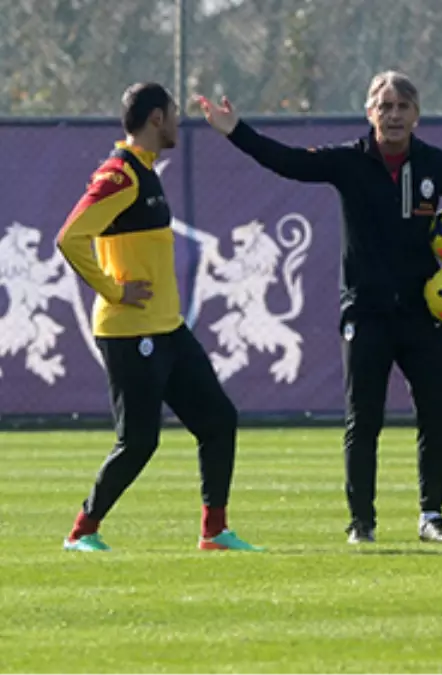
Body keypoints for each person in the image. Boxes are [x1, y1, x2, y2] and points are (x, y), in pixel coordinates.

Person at [195, 71, 442, 545]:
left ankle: (432, 515)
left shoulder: (435, 166)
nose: (394, 114)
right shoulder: (349, 161)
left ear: (417, 114)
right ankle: (362, 521)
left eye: (403, 106)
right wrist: (236, 130)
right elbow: (288, 162)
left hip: (423, 312)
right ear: (369, 114)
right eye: (385, 106)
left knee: (435, 415)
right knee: (364, 419)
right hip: (365, 312)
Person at [57, 82, 262, 553]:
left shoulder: (146, 170)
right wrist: (113, 290)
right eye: (172, 113)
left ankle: (214, 532)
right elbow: (70, 237)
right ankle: (82, 531)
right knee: (138, 442)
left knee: (217, 420)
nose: (176, 122)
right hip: (131, 332)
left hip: (168, 328)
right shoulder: (119, 175)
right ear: (155, 119)